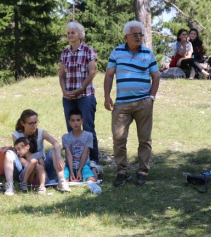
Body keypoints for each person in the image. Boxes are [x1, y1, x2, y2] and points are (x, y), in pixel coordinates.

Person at [104, 20, 160, 187]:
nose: (138, 37)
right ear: (126, 36)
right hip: (121, 104)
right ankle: (122, 171)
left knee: (144, 139)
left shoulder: (148, 53)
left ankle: (143, 171)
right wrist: (107, 97)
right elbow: (108, 75)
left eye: (140, 34)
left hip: (144, 102)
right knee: (118, 138)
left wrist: (151, 98)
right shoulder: (116, 52)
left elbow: (156, 76)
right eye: (134, 34)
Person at [58, 21, 100, 175]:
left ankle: (93, 161)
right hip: (68, 97)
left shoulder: (88, 51)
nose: (70, 35)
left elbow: (92, 73)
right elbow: (61, 75)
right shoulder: (64, 53)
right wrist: (64, 91)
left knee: (88, 128)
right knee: (72, 129)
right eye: (68, 33)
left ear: (80, 35)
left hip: (85, 96)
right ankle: (73, 163)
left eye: (73, 32)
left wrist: (79, 89)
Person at [3, 109, 71, 195]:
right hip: (24, 169)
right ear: (23, 123)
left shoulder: (40, 132)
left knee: (54, 151)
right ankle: (10, 185)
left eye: (35, 122)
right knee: (8, 153)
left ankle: (61, 181)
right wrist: (30, 165)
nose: (34, 125)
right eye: (31, 123)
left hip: (42, 167)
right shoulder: (17, 135)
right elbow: (18, 154)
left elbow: (56, 143)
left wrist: (59, 157)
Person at [62, 108, 97, 183]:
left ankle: (94, 169)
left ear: (82, 121)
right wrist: (71, 172)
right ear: (69, 122)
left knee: (92, 180)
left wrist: (79, 170)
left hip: (83, 164)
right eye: (73, 120)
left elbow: (85, 153)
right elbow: (68, 155)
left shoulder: (89, 135)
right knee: (63, 181)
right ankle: (72, 173)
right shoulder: (65, 137)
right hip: (70, 165)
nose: (76, 123)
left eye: (78, 120)